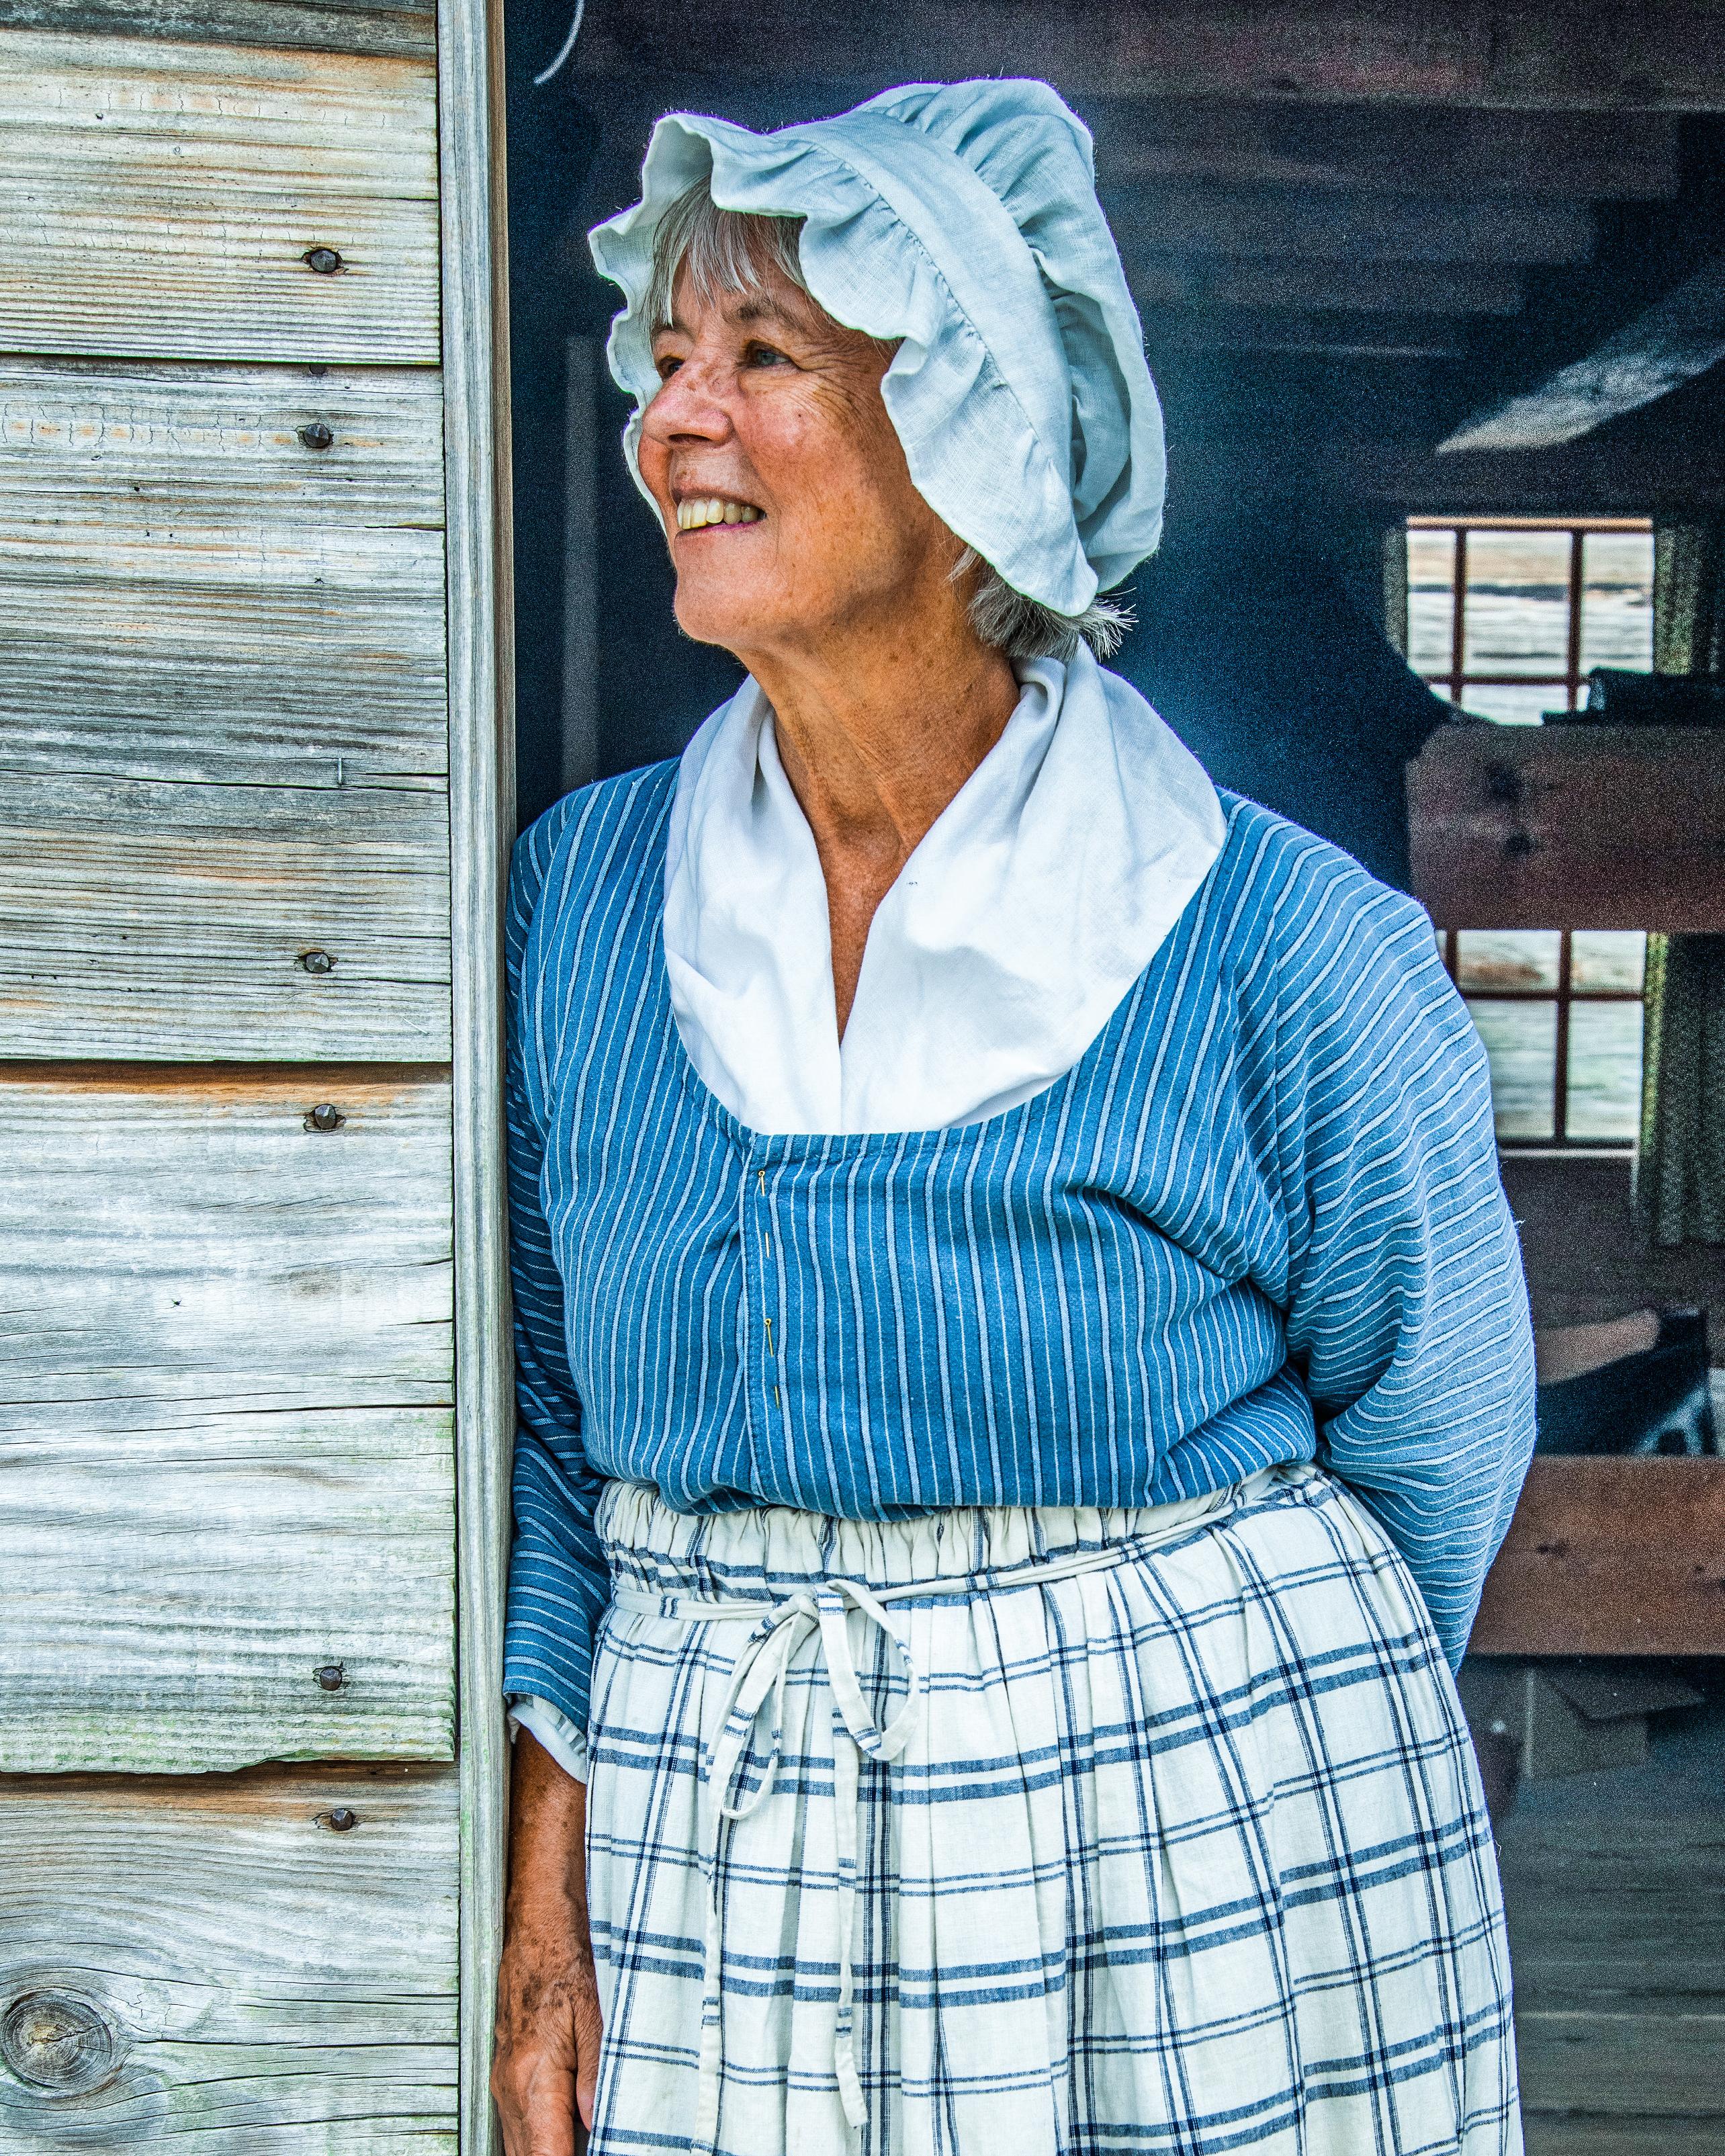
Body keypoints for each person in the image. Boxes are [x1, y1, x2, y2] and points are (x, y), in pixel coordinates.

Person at [491, 80, 1535, 2156]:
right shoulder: (584, 902)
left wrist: (1145, 1732)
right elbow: (544, 1425)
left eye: (763, 355)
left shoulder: (1275, 943)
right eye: (668, 356)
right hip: (717, 1867)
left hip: (1181, 1881)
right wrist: (547, 1889)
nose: (674, 417)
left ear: (972, 443)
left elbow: (1437, 1437)